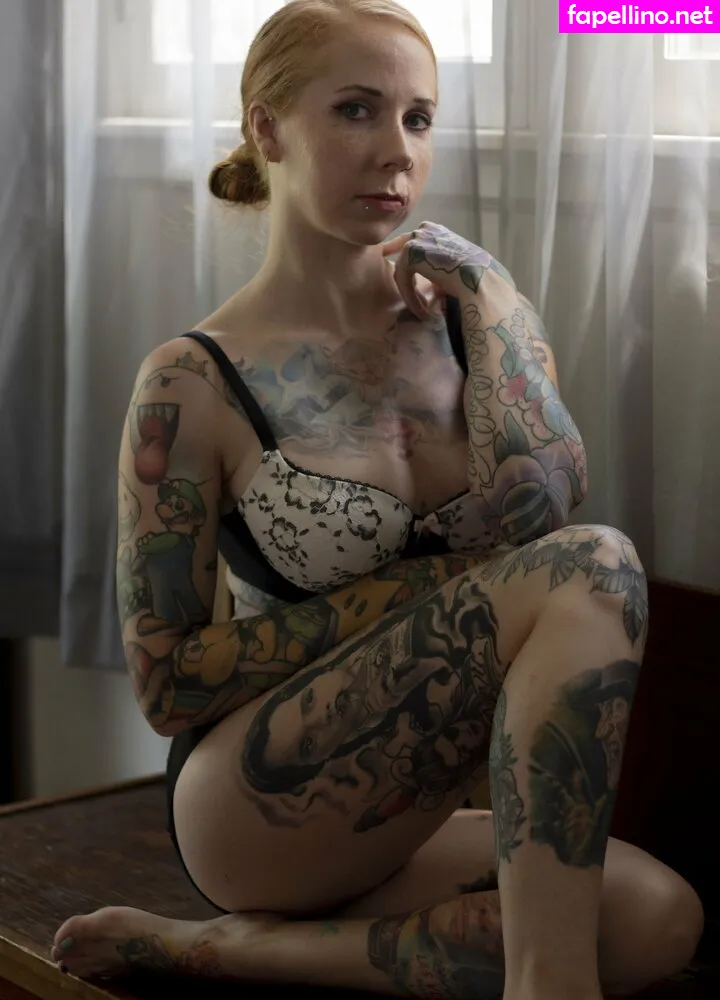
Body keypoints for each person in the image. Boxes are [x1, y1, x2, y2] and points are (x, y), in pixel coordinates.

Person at [51, 1, 703, 996]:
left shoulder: (475, 318)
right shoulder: (191, 380)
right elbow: (168, 683)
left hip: (411, 801)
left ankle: (221, 948)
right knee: (599, 562)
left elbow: (547, 516)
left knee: (659, 920)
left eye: (419, 118)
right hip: (255, 803)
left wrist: (495, 305)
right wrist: (439, 587)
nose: (398, 151)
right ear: (269, 128)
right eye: (357, 109)